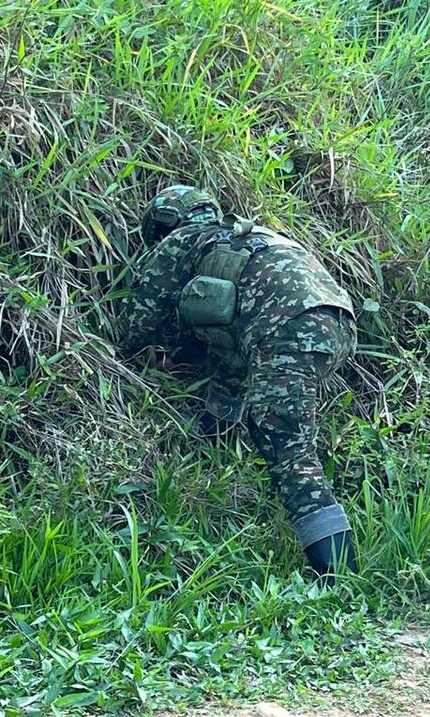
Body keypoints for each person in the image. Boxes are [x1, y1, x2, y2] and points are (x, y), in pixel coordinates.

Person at [119, 184, 358, 580]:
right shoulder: (248, 239)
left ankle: (340, 577)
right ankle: (216, 452)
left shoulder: (182, 240)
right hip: (337, 325)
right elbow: (232, 345)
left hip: (285, 333)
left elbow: (137, 323)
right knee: (249, 391)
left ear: (162, 225)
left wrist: (118, 353)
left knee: (286, 447)